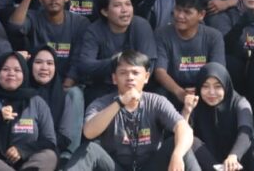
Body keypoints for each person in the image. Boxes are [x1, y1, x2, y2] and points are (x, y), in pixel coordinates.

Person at [67, 49, 197, 171]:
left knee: (180, 146)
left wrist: (177, 155)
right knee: (89, 149)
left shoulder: (157, 102)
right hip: (115, 167)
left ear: (146, 77)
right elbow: (88, 132)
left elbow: (184, 128)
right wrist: (120, 102)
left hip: (151, 167)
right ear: (114, 78)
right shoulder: (101, 104)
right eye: (123, 73)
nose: (130, 77)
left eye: (135, 73)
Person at [74, 0, 157, 103]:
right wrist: (116, 62)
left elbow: (149, 63)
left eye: (128, 4)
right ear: (105, 12)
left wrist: (122, 69)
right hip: (104, 87)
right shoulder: (94, 30)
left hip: (136, 85)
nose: (125, 10)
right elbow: (85, 65)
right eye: (117, 5)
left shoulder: (141, 25)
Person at [0, 51, 59, 171]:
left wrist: (23, 150)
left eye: (17, 70)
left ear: (25, 74)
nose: (11, 73)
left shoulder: (37, 102)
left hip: (27, 163)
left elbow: (49, 141)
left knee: (50, 156)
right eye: (5, 69)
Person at [152, 0, 225, 107]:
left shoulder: (214, 36)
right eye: (178, 10)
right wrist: (180, 92)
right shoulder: (161, 34)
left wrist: (200, 90)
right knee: (159, 96)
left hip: (205, 90)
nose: (180, 16)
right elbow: (160, 72)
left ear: (201, 14)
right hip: (173, 90)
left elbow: (217, 72)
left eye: (187, 12)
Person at [183, 62, 254, 171]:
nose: (211, 92)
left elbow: (246, 131)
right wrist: (186, 111)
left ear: (226, 85)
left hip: (234, 164)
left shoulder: (239, 103)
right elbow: (180, 134)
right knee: (190, 139)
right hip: (206, 164)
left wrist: (234, 155)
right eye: (205, 86)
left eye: (218, 86)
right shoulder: (195, 103)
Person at [29, 44, 84, 159]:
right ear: (30, 65)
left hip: (52, 152)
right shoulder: (21, 92)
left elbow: (65, 138)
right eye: (38, 62)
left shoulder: (62, 96)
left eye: (50, 63)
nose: (44, 67)